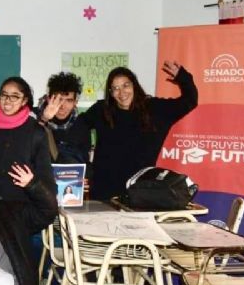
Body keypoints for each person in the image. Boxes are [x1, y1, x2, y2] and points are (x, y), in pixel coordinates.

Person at [68, 61, 198, 200]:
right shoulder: (102, 110)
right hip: (103, 191)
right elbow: (78, 129)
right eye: (115, 88)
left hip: (140, 192)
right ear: (110, 93)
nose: (122, 92)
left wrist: (183, 77)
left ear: (134, 85)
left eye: (126, 85)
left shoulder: (155, 109)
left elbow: (190, 101)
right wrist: (84, 166)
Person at [36, 72, 89, 164]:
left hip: (71, 176)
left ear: (75, 102)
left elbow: (85, 161)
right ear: (49, 99)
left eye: (69, 100)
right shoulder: (33, 116)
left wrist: (85, 175)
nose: (62, 106)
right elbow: (29, 149)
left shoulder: (81, 124)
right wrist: (44, 119)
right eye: (59, 99)